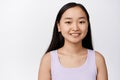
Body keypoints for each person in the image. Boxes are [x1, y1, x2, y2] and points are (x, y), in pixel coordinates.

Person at [38, 2, 108, 80]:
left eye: (81, 22)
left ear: (87, 25)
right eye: (68, 22)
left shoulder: (98, 60)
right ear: (59, 26)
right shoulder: (48, 60)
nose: (75, 28)